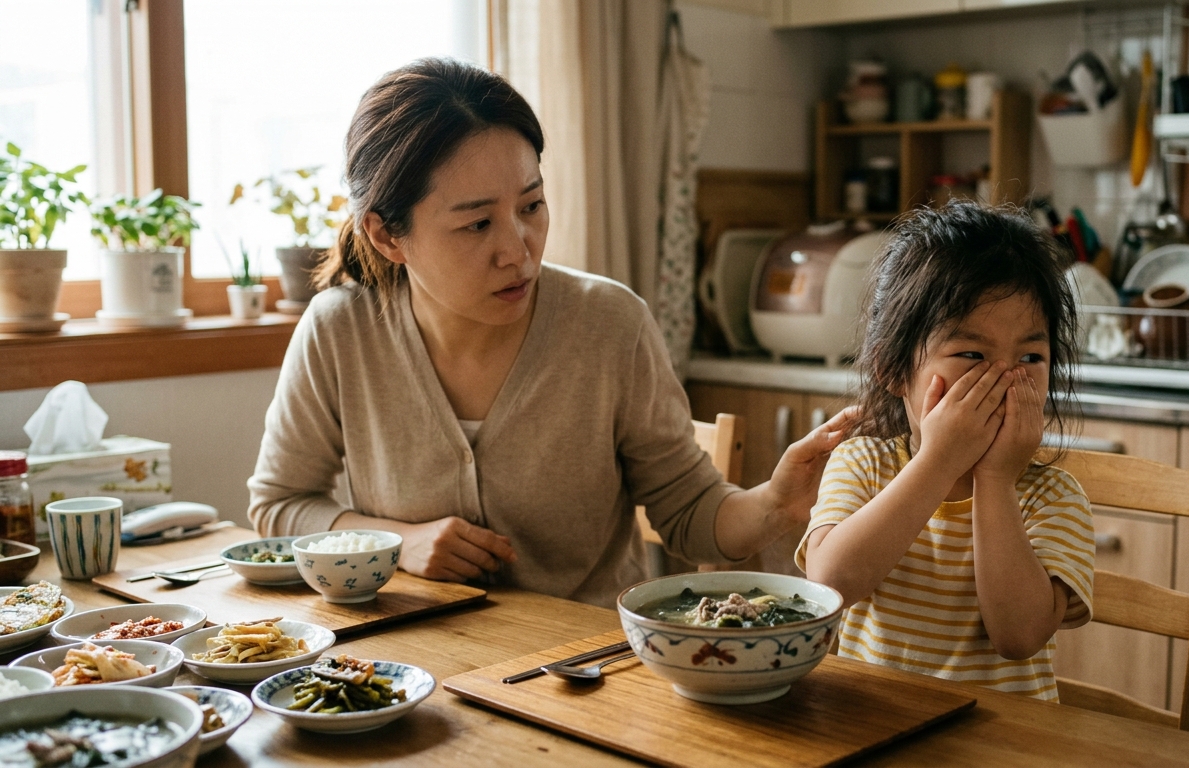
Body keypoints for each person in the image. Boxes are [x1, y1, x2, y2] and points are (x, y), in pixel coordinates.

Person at [248, 58, 852, 608]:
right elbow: (278, 506)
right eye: (478, 223)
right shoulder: (340, 330)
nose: (518, 250)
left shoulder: (609, 323)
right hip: (413, 665)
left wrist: (775, 503)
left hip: (584, 669)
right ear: (386, 236)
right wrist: (395, 541)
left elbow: (690, 511)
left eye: (531, 206)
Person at [797, 202, 1094, 701]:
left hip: (1000, 747)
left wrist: (995, 480)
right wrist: (939, 461)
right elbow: (831, 583)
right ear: (893, 370)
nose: (1002, 380)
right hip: (878, 730)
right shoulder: (864, 464)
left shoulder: (1054, 497)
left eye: (1030, 357)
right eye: (972, 355)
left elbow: (1018, 638)